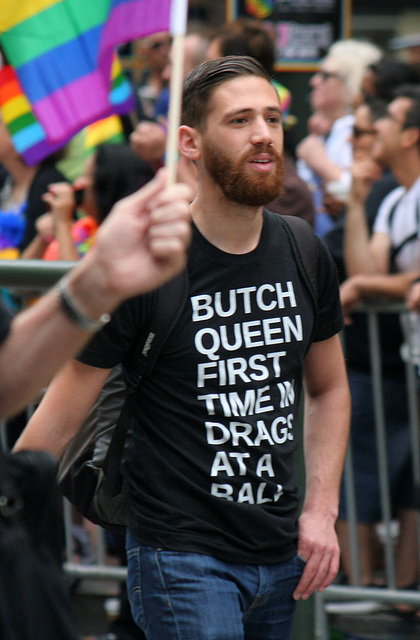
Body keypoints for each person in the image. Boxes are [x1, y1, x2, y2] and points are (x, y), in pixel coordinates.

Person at [15, 57, 350, 640]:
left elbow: (328, 386)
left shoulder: (303, 248)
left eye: (272, 117)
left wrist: (321, 509)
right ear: (189, 143)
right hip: (181, 555)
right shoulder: (150, 266)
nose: (264, 134)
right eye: (240, 120)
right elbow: (54, 422)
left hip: (281, 553)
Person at [0, 167, 191, 420]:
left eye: (88, 176)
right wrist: (50, 233)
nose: (78, 181)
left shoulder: (101, 234)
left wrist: (97, 281)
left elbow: (67, 277)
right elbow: (20, 284)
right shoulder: (78, 226)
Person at [339, 85, 420, 597]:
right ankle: (404, 594)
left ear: (412, 134)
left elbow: (384, 281)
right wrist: (353, 204)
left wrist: (365, 285)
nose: (374, 131)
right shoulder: (394, 198)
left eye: (387, 120)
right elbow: (367, 268)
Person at [297, 39, 382, 236]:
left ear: (352, 81)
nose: (314, 81)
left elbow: (365, 196)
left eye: (325, 75)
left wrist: (320, 161)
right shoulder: (331, 128)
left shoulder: (359, 129)